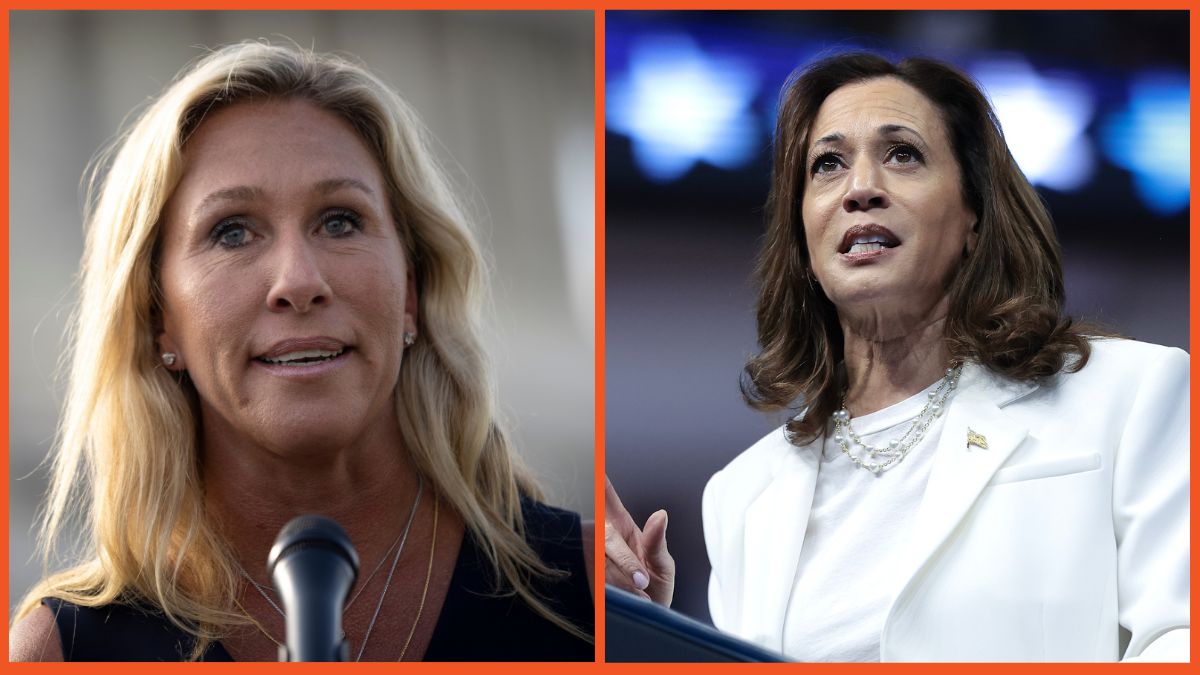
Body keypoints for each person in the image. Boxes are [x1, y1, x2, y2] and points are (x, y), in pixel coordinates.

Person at [9, 42, 594, 662]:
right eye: (232, 231)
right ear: (159, 318)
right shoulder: (62, 650)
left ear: (412, 291)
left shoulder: (594, 593)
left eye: (339, 221)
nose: (298, 281)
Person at [605, 52, 1188, 662]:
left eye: (902, 154)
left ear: (975, 218)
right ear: (804, 240)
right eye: (827, 165)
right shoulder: (742, 495)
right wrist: (647, 633)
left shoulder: (1131, 395)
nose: (860, 189)